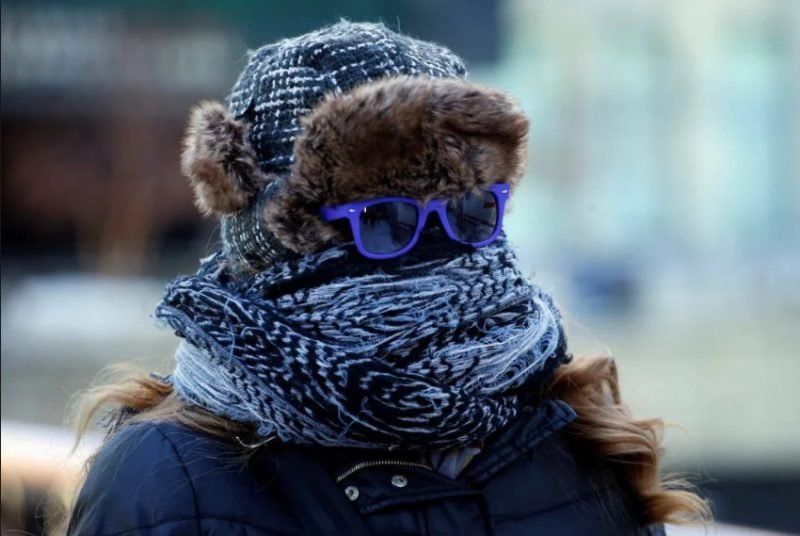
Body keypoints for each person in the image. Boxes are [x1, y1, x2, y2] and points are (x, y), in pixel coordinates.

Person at [65, 21, 709, 535]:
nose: (438, 249)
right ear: (271, 240)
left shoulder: (573, 439)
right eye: (385, 220)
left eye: (471, 212)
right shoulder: (166, 484)